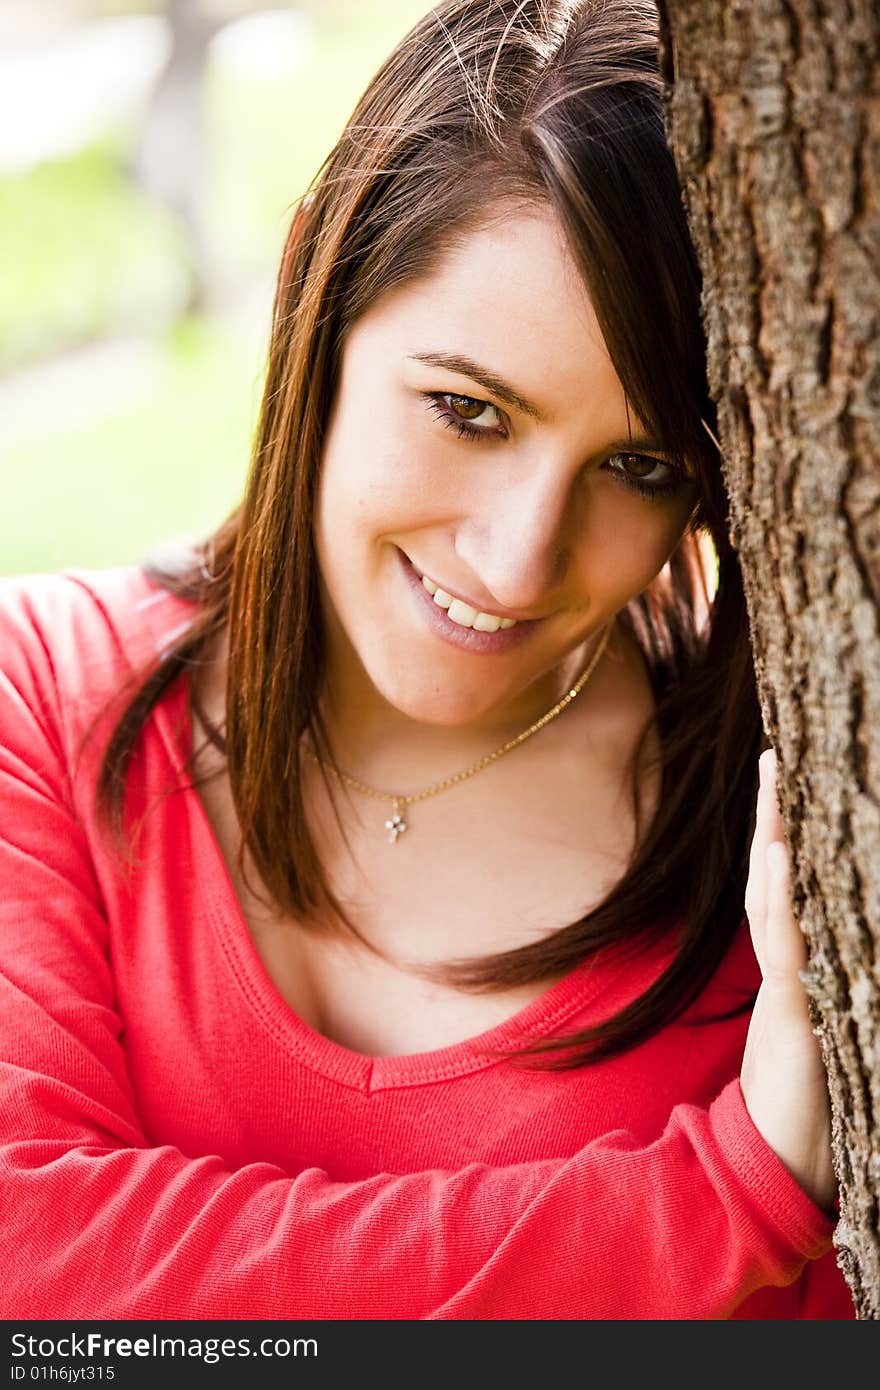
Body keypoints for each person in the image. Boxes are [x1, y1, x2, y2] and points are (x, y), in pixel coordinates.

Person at [0, 0, 855, 1321]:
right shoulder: (38, 691)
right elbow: (41, 1283)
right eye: (469, 410)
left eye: (636, 469)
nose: (518, 562)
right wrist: (730, 1195)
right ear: (311, 284)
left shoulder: (772, 820)